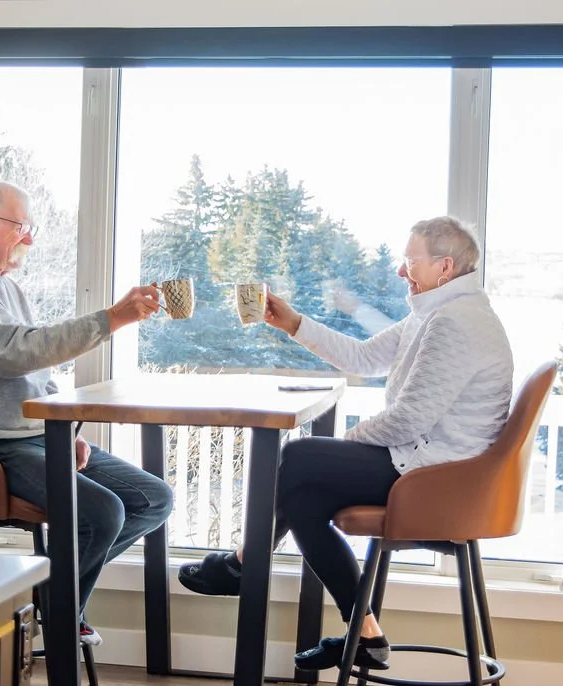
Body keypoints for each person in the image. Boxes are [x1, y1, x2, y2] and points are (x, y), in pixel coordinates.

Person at [177, 216, 514, 672]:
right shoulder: (436, 312)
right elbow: (364, 358)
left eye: (410, 261)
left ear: (445, 267)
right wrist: (293, 323)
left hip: (440, 480)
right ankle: (366, 635)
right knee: (304, 496)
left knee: (299, 458)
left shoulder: (454, 323)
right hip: (430, 465)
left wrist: (343, 447)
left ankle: (243, 562)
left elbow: (409, 420)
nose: (400, 271)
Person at [0, 181, 174, 646]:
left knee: (153, 499)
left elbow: (34, 370)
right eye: (22, 227)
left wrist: (61, 424)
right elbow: (23, 350)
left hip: (30, 435)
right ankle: (59, 618)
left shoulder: (3, 287)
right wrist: (111, 319)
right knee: (103, 513)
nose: (30, 240)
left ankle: (51, 599)